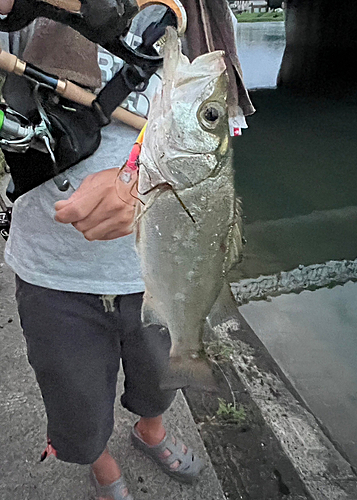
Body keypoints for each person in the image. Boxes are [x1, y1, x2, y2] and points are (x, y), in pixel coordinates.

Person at [0, 2, 204, 499]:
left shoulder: (198, 17)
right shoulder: (25, 18)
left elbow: (214, 144)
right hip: (52, 275)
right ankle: (100, 461)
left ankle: (150, 431)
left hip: (160, 270)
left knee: (163, 373)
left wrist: (141, 183)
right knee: (74, 400)